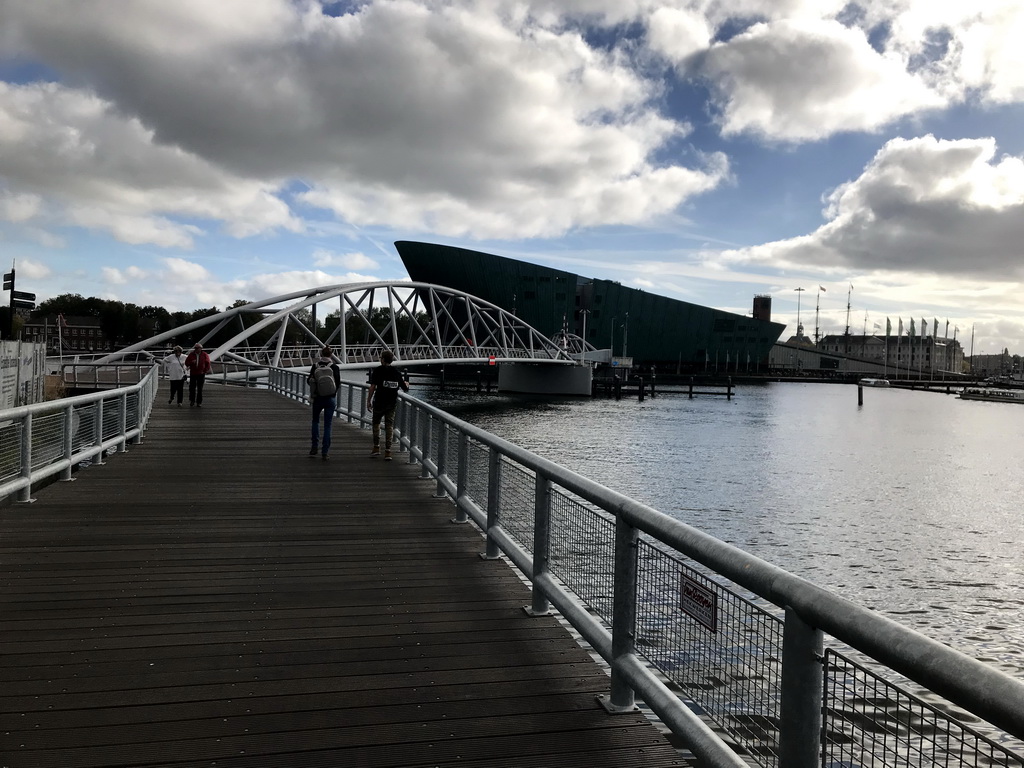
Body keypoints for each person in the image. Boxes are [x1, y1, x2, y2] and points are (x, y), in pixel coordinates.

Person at [366, 349, 409, 460]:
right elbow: (405, 389)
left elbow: (372, 386)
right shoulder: (397, 373)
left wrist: (368, 400)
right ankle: (388, 451)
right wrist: (406, 384)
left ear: (383, 359)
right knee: (389, 426)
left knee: (376, 423)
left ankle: (376, 447)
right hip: (391, 403)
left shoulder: (378, 371)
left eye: (381, 358)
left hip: (379, 402)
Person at [307, 345, 341, 460]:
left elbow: (309, 381)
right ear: (331, 355)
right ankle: (325, 452)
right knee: (328, 424)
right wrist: (332, 392)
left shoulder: (315, 366)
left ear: (321, 354)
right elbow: (338, 383)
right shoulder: (334, 367)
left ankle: (314, 447)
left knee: (315, 421)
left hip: (317, 398)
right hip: (330, 399)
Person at [184, 342, 212, 407]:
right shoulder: (191, 354)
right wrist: (191, 362)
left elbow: (208, 363)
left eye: (197, 348)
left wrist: (205, 371)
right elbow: (186, 363)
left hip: (201, 374)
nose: (196, 349)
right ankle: (192, 401)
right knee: (192, 388)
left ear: (201, 349)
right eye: (195, 348)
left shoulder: (204, 355)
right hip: (193, 373)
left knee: (200, 389)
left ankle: (199, 402)